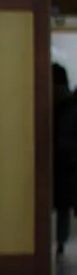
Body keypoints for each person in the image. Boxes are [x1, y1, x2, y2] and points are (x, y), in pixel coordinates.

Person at [53, 63, 77, 255]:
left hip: (65, 162)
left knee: (62, 204)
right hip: (66, 162)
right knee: (63, 205)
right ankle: (60, 243)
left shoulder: (66, 105)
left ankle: (60, 243)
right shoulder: (69, 104)